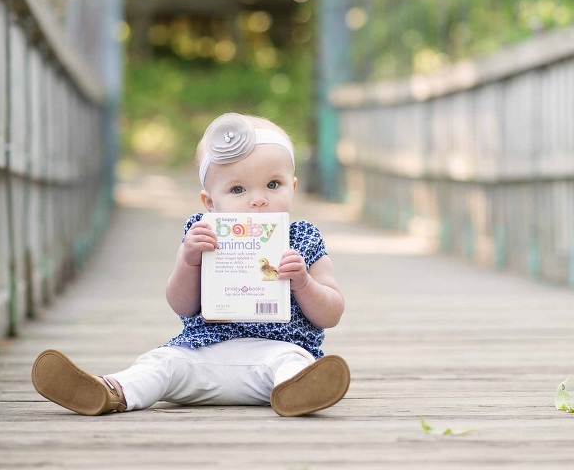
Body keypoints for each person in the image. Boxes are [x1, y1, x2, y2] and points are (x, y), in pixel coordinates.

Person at [32, 112, 350, 417]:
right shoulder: (201, 234)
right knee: (162, 363)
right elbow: (182, 305)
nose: (258, 199)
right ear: (210, 202)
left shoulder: (302, 239)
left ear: (292, 188)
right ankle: (109, 390)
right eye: (238, 189)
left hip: (277, 353)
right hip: (202, 354)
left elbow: (332, 312)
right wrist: (189, 259)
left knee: (293, 364)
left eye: (273, 184)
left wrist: (304, 283)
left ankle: (299, 392)